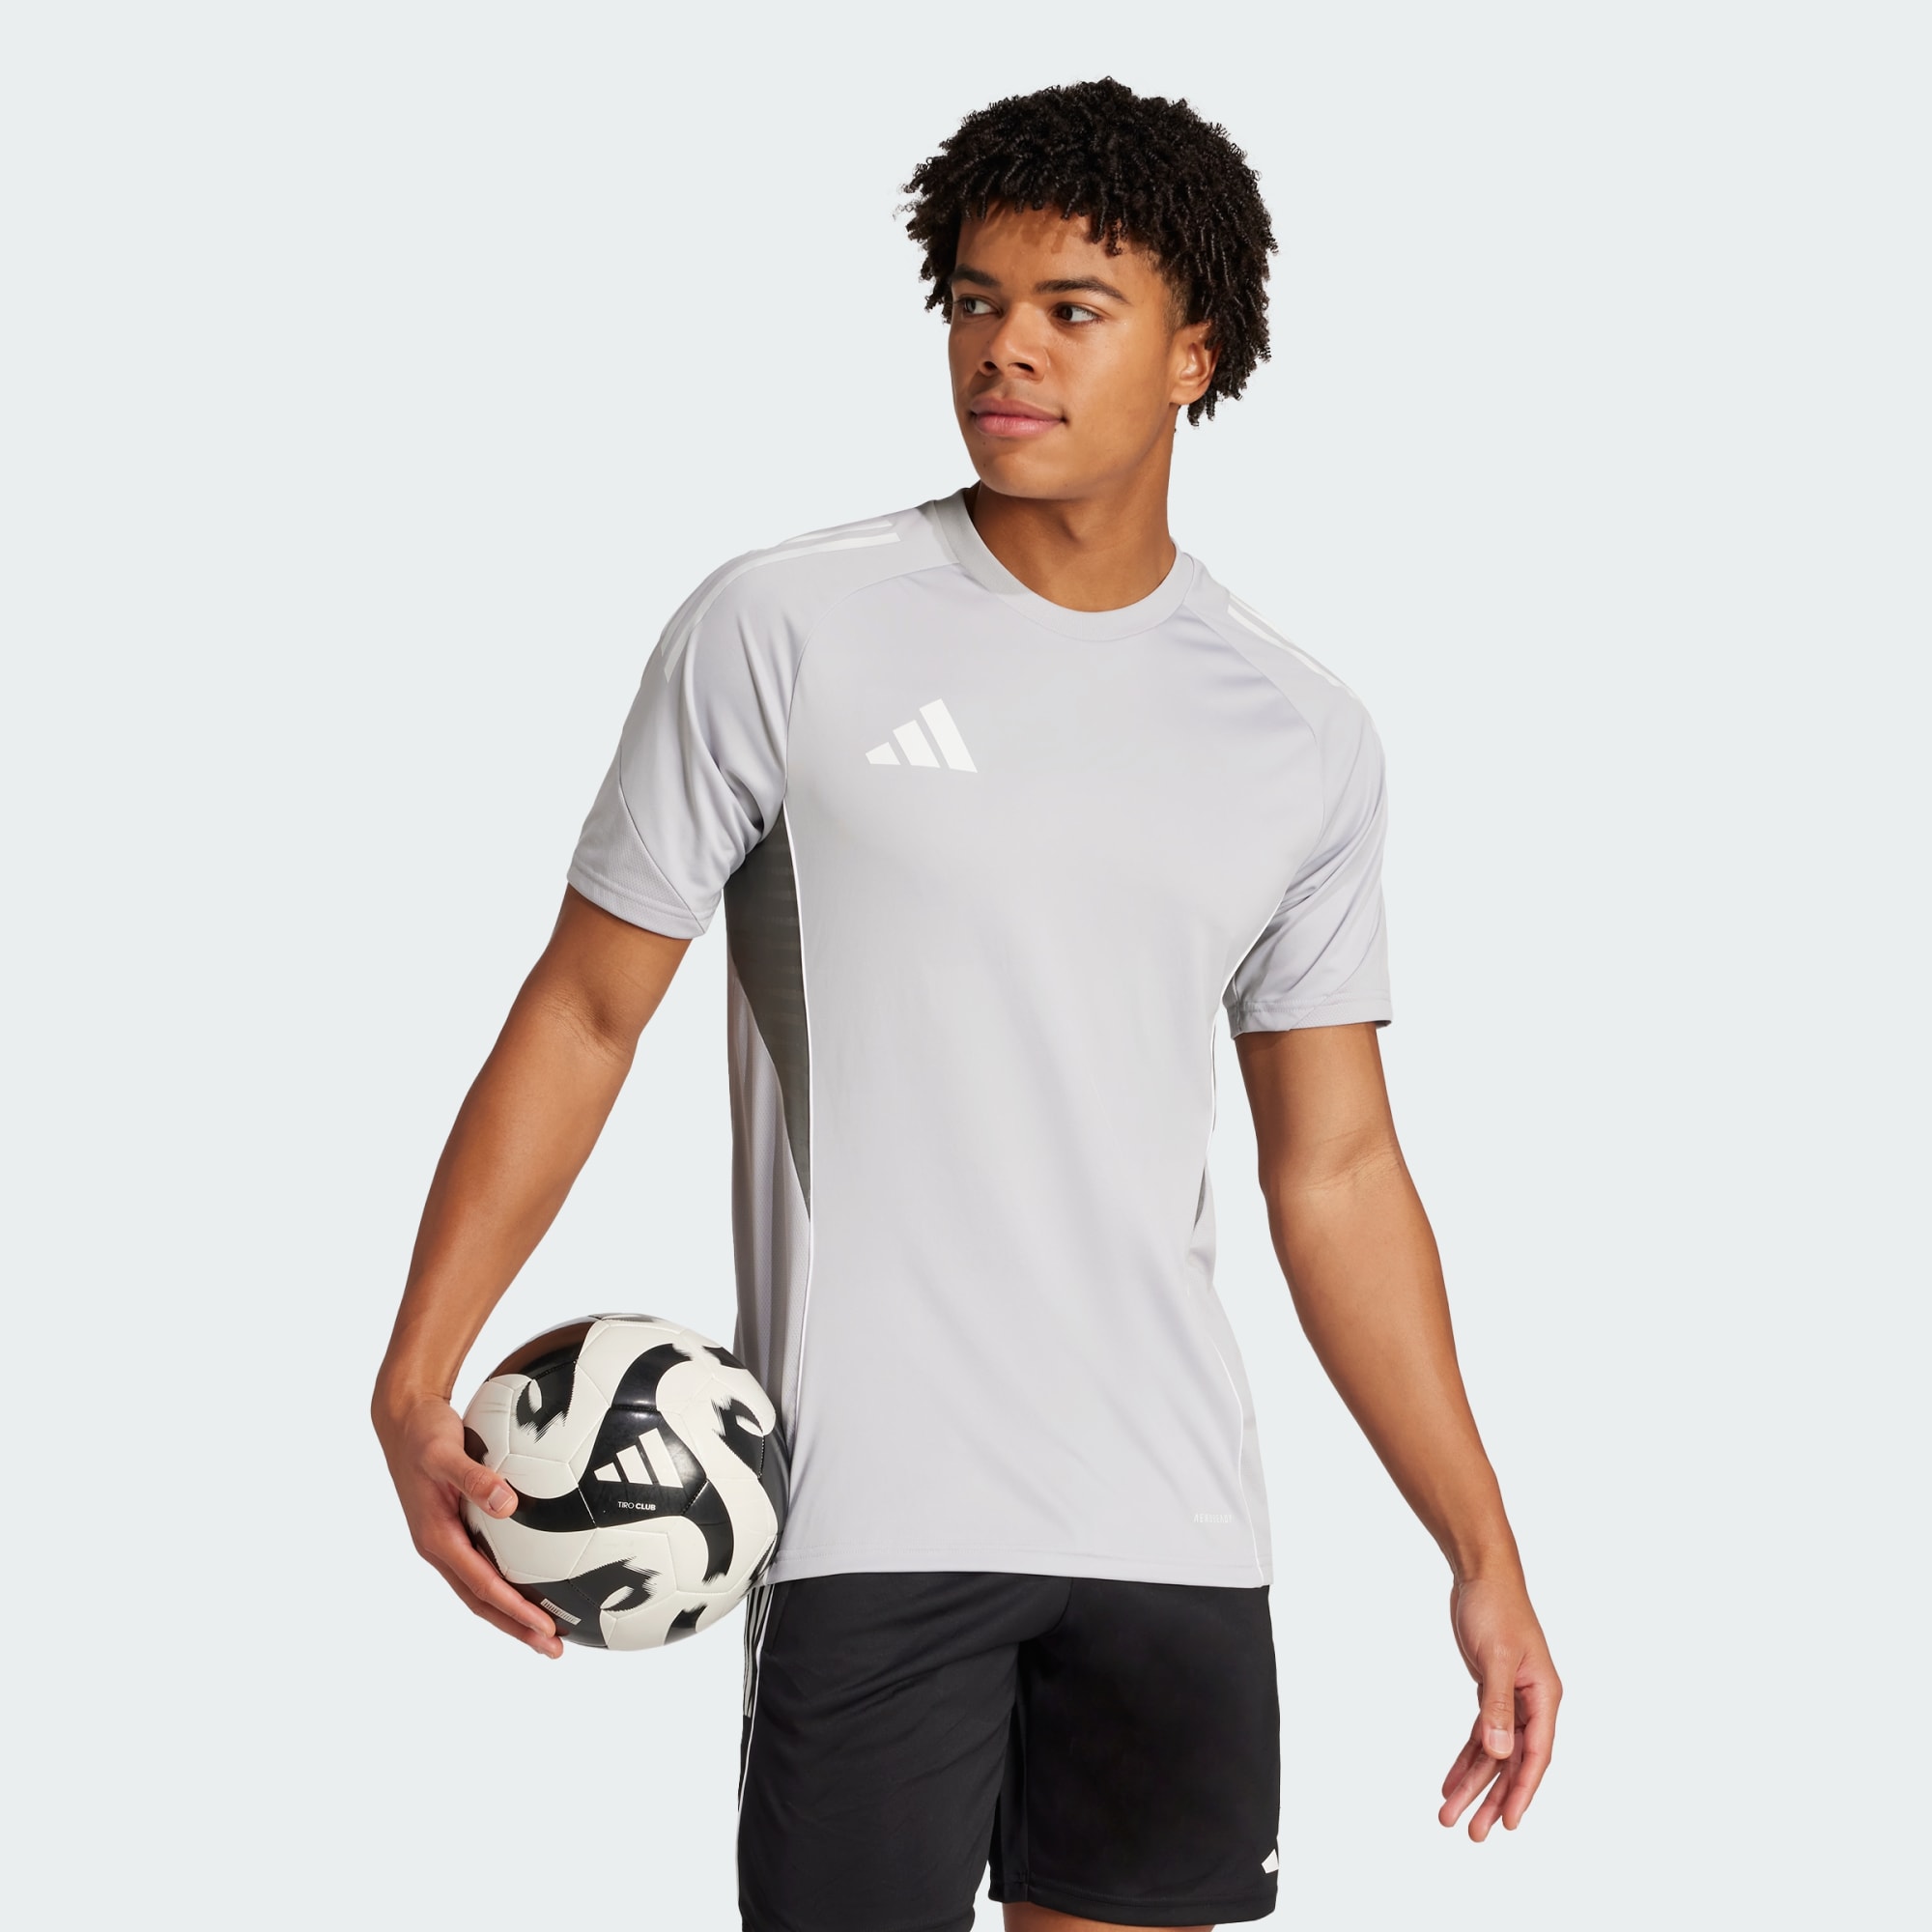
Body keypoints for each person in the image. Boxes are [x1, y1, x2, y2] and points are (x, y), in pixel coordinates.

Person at [373, 75, 1560, 1932]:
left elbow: (1336, 1172)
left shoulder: (1302, 731)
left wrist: (1480, 1548)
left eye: (1074, 309)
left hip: (1176, 1536)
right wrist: (418, 1366)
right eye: (977, 303)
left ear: (1196, 354)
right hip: (866, 1520)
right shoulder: (785, 629)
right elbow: (588, 1010)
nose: (1006, 349)